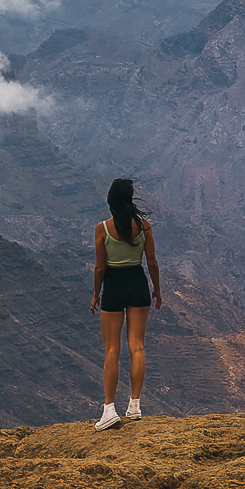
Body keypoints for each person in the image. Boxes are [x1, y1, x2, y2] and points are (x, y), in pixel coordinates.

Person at [91, 176, 161, 430]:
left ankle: (109, 409)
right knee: (137, 347)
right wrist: (157, 290)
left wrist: (96, 294)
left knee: (112, 349)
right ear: (130, 199)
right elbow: (151, 262)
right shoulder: (144, 227)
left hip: (114, 286)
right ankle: (135, 405)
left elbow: (100, 267)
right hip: (138, 283)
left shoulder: (103, 228)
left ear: (111, 199)